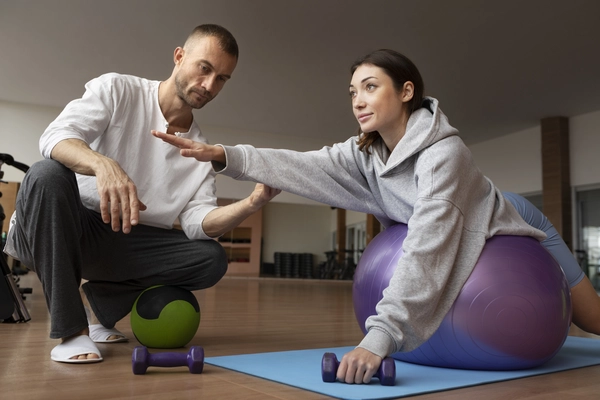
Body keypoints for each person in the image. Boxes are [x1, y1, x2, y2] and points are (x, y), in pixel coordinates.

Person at [153, 48, 600, 383]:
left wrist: (379, 337)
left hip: (508, 216)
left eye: (371, 87)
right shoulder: (365, 152)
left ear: (406, 91)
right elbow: (306, 164)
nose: (358, 100)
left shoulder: (445, 155)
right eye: (353, 91)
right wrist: (224, 155)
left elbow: (429, 246)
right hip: (454, 217)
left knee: (593, 322)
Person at [3, 24, 280, 363]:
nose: (209, 85)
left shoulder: (201, 151)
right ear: (179, 57)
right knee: (46, 172)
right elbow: (55, 137)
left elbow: (198, 223)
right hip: (55, 227)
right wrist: (102, 165)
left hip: (118, 241)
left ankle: (101, 305)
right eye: (204, 68)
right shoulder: (119, 89)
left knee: (211, 258)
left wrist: (253, 202)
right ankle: (71, 332)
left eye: (222, 78)